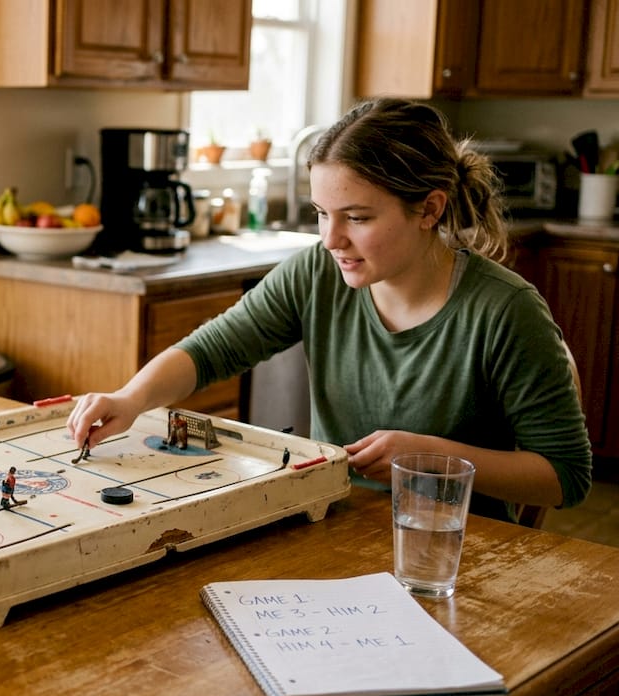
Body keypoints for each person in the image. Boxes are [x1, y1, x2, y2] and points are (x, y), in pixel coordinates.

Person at [68, 97, 591, 523]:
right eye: (322, 214)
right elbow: (213, 349)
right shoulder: (317, 274)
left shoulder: (506, 311)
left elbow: (566, 478)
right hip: (334, 520)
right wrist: (131, 397)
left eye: (357, 217)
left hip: (457, 550)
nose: (331, 239)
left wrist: (429, 459)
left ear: (429, 209)